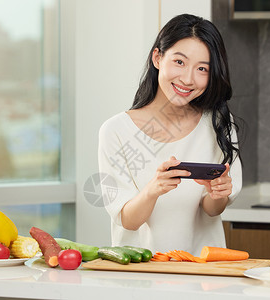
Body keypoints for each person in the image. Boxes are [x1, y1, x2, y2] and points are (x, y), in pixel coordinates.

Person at [98, 14, 242, 256]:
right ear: (157, 58)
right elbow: (127, 220)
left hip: (203, 273)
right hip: (142, 274)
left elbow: (212, 211)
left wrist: (217, 192)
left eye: (202, 69)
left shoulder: (219, 124)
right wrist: (153, 189)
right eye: (179, 62)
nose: (188, 79)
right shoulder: (116, 131)